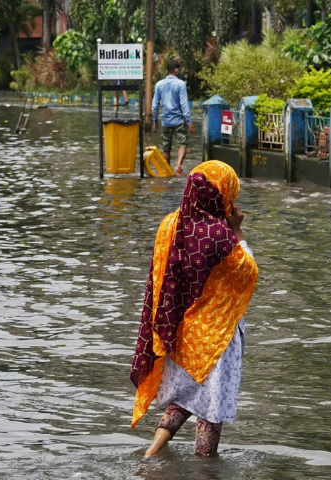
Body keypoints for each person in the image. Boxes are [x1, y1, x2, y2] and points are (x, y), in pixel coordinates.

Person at [129, 161, 257, 458]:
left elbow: (160, 277)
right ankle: (205, 468)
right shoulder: (219, 236)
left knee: (185, 397)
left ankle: (151, 453)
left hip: (179, 333)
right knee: (211, 410)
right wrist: (237, 231)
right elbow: (247, 272)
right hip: (215, 338)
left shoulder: (169, 224)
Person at [149, 59, 193, 174]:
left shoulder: (159, 84)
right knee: (182, 144)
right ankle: (178, 165)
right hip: (179, 121)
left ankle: (166, 171)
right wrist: (189, 121)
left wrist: (155, 121)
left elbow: (154, 105)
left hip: (165, 121)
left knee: (166, 148)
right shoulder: (180, 84)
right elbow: (184, 104)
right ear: (176, 69)